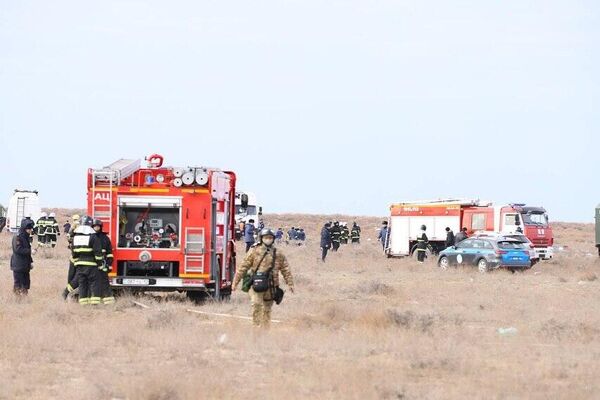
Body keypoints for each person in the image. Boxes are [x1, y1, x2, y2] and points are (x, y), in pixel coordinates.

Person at [232, 228, 295, 328]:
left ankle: (265, 331)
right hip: (257, 284)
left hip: (271, 286)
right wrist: (235, 283)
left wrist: (290, 284)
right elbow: (243, 267)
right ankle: (255, 328)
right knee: (256, 305)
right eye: (266, 237)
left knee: (267, 310)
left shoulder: (278, 253)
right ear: (261, 238)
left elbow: (285, 269)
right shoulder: (254, 251)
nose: (268, 239)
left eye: (270, 238)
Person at [71, 216, 103, 306]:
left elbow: (73, 253)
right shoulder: (93, 237)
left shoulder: (75, 237)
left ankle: (83, 305)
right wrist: (100, 264)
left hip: (80, 266)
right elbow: (98, 253)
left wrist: (77, 262)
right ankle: (94, 305)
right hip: (92, 265)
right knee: (94, 284)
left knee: (82, 284)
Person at [92, 219, 115, 305]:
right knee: (94, 283)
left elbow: (109, 253)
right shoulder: (91, 236)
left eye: (98, 226)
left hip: (103, 263)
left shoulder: (105, 238)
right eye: (95, 226)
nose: (96, 228)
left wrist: (109, 264)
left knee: (105, 282)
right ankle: (95, 302)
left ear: (101, 227)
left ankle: (109, 302)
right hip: (93, 264)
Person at [10, 219, 35, 297]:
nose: (31, 230)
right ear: (25, 228)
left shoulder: (26, 237)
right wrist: (30, 251)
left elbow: (27, 250)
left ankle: (24, 298)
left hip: (25, 265)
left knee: (26, 283)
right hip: (18, 264)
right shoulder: (17, 237)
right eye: (29, 229)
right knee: (18, 283)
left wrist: (30, 262)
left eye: (31, 229)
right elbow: (18, 249)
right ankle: (17, 299)